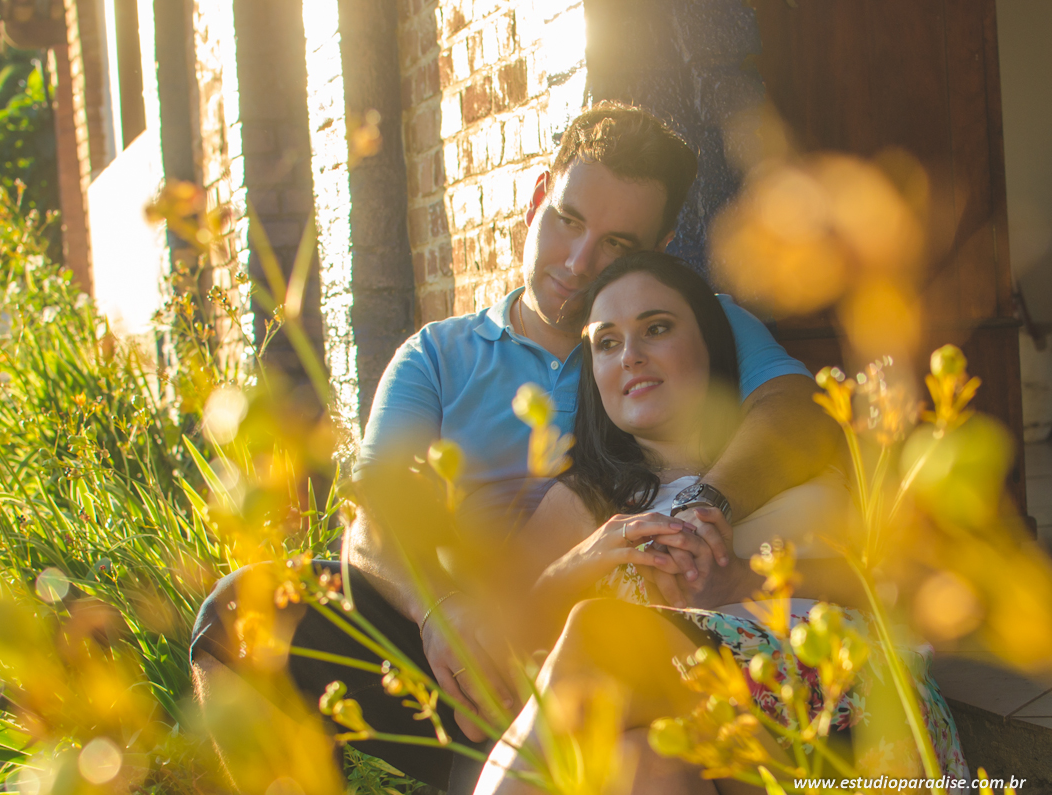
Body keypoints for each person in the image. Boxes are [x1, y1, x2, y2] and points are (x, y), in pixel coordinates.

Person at [191, 102, 843, 790]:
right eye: (568, 220)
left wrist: (706, 506)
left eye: (620, 244)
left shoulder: (680, 321)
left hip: (610, 635)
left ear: (658, 246)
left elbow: (799, 412)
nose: (580, 260)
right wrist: (442, 611)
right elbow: (376, 515)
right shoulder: (439, 355)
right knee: (242, 614)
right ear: (537, 199)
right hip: (448, 644)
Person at [472, 252, 969, 795]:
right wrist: (577, 564)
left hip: (848, 712)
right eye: (607, 344)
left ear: (710, 341)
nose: (630, 356)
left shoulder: (797, 445)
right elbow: (496, 651)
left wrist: (740, 582)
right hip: (716, 737)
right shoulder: (583, 501)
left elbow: (913, 586)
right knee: (644, 763)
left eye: (655, 329)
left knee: (603, 629)